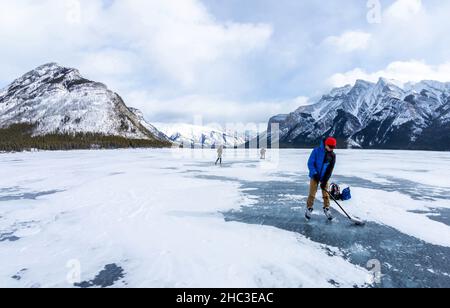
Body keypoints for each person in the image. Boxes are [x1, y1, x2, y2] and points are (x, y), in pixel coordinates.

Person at [305, 137, 337, 221]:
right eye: (330, 147)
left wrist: (325, 180)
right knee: (312, 193)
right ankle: (309, 208)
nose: (331, 149)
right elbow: (310, 163)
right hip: (314, 175)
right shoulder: (316, 151)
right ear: (326, 144)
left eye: (333, 147)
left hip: (324, 177)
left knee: (326, 194)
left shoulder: (332, 155)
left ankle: (326, 208)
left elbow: (330, 169)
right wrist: (315, 174)